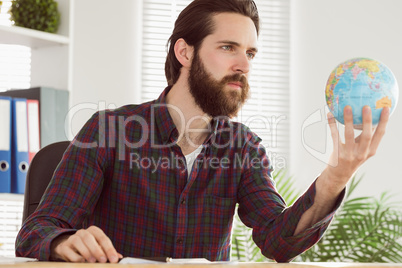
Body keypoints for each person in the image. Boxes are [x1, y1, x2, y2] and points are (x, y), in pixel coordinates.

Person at [15, 0, 389, 263]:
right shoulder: (108, 130)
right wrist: (64, 241)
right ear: (185, 52)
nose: (244, 64)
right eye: (228, 47)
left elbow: (277, 242)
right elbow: (37, 230)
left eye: (251, 53)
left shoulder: (243, 147)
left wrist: (336, 177)